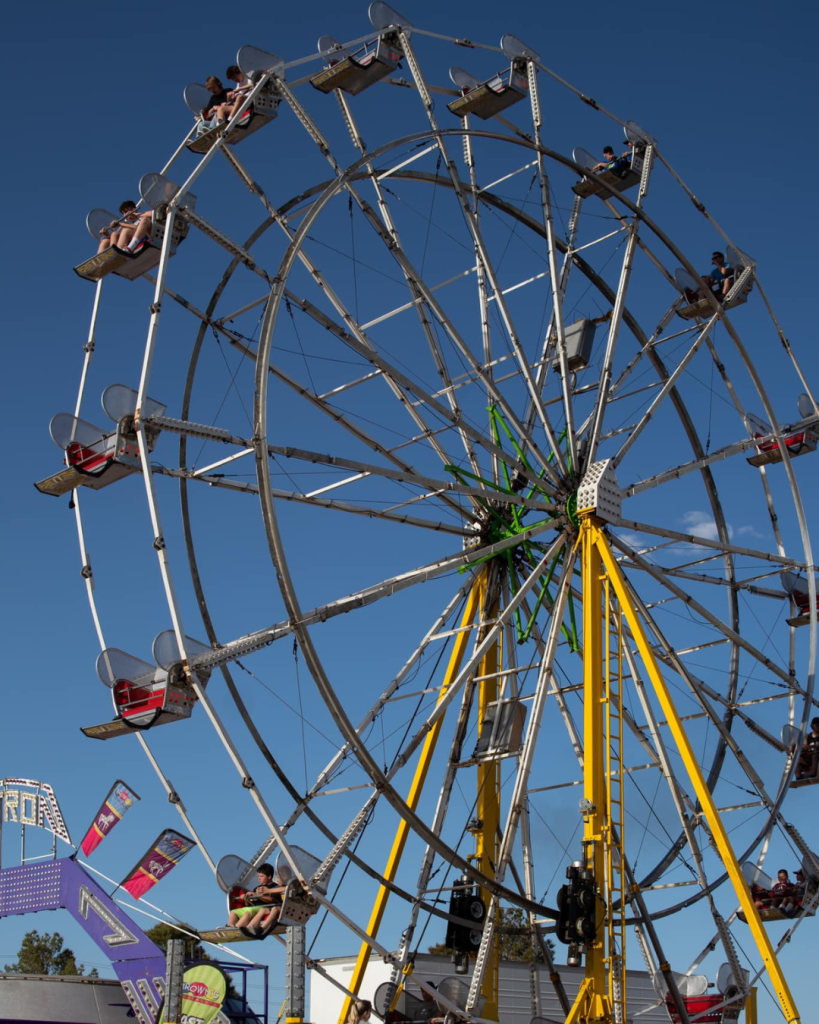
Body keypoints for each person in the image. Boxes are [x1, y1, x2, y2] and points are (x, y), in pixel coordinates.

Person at [227, 863, 286, 934]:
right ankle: (229, 927)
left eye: (261, 876)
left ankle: (235, 930)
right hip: (253, 907)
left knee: (248, 912)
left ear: (269, 876)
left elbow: (272, 900)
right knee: (234, 912)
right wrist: (247, 898)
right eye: (258, 876)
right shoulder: (257, 888)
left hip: (264, 908)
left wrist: (258, 895)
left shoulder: (276, 888)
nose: (259, 878)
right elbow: (248, 904)